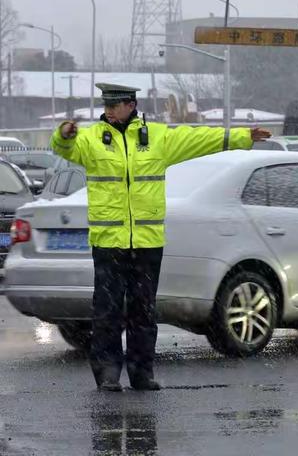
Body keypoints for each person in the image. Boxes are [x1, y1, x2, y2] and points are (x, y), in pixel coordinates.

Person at [51, 83, 271, 391]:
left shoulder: (156, 137)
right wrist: (63, 134)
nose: (109, 111)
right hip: (109, 242)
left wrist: (243, 137)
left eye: (114, 105)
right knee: (107, 312)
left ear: (130, 105)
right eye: (106, 105)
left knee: (143, 312)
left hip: (147, 242)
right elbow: (64, 148)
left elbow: (198, 139)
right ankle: (107, 373)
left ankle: (142, 373)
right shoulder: (90, 139)